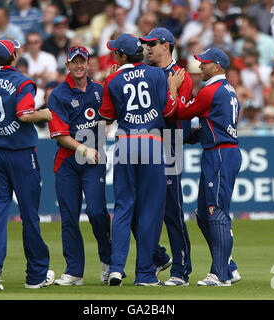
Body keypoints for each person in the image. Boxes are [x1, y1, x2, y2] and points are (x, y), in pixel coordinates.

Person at [99, 33, 183, 286]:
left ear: (122, 56)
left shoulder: (112, 79)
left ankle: (115, 269)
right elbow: (169, 111)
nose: (114, 54)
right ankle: (145, 274)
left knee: (124, 208)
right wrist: (172, 89)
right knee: (150, 211)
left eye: (115, 52)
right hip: (152, 144)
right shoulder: (157, 74)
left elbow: (107, 117)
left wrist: (111, 83)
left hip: (125, 143)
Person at [0, 37, 55, 290]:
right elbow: (24, 113)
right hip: (22, 155)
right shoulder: (23, 82)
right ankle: (36, 276)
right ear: (13, 56)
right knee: (29, 215)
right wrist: (45, 114)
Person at [170, 48, 242, 286]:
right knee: (204, 212)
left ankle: (220, 274)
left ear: (218, 67)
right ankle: (228, 266)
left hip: (219, 153)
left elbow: (182, 111)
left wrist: (173, 90)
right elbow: (210, 125)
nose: (200, 67)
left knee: (215, 211)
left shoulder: (210, 91)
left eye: (205, 63)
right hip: (220, 151)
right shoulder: (227, 90)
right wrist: (188, 137)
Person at [46, 46, 111, 286]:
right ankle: (74, 272)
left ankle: (108, 262)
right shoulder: (58, 95)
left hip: (93, 161)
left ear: (89, 63)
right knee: (69, 218)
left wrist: (99, 143)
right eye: (75, 62)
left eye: (83, 61)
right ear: (68, 65)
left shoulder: (99, 90)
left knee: (96, 212)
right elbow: (60, 135)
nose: (79, 65)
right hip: (68, 162)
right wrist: (84, 148)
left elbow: (109, 117)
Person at [140, 27, 193, 286]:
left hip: (170, 145)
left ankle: (181, 270)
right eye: (146, 44)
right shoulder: (145, 74)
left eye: (152, 43)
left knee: (171, 209)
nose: (147, 48)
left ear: (167, 46)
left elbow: (175, 114)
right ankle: (157, 258)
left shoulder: (181, 75)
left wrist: (169, 93)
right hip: (145, 146)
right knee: (139, 208)